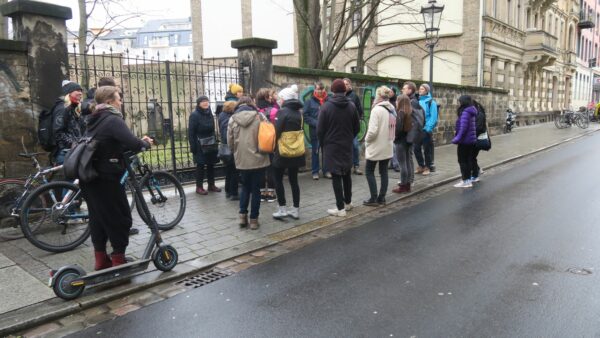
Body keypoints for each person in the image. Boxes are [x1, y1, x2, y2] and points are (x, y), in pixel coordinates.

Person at [81, 86, 154, 270]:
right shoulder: (113, 119)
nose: (121, 101)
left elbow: (106, 144)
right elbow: (132, 143)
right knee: (120, 218)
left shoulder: (93, 118)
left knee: (98, 218)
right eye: (118, 98)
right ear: (109, 102)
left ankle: (101, 260)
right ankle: (118, 260)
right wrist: (145, 143)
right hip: (107, 177)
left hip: (91, 176)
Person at [318, 79, 360, 217]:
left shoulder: (326, 107)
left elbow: (320, 129)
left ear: (333, 90)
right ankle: (348, 203)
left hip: (332, 145)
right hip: (346, 144)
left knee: (336, 175)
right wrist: (349, 137)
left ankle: (340, 208)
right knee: (347, 173)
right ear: (344, 90)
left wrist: (323, 142)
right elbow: (357, 127)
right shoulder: (352, 106)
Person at [227, 96, 270, 230]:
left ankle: (242, 216)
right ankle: (253, 221)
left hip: (242, 159)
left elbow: (230, 141)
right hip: (259, 158)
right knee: (256, 189)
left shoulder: (233, 119)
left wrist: (236, 152)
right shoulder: (260, 116)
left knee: (245, 187)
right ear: (252, 104)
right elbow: (268, 135)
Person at [271, 85, 305, 220]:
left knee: (278, 179)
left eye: (280, 98)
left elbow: (276, 132)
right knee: (294, 180)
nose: (279, 100)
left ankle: (282, 209)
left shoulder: (282, 112)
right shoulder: (299, 113)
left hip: (283, 151)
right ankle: (295, 210)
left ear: (284, 99)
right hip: (296, 151)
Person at [363, 86, 396, 206]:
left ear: (378, 96)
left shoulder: (376, 110)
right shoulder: (391, 109)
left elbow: (372, 131)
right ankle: (382, 198)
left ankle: (373, 198)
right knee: (384, 172)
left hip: (376, 145)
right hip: (387, 144)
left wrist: (366, 141)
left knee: (369, 171)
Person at [189, 95, 221, 195]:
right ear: (199, 104)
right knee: (200, 166)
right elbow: (191, 132)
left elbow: (212, 128)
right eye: (203, 101)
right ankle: (199, 187)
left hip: (210, 142)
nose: (205, 103)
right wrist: (193, 146)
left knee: (211, 164)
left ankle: (211, 185)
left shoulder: (209, 113)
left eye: (207, 101)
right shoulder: (194, 115)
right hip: (199, 144)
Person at [53, 81, 85, 165]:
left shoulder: (74, 108)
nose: (80, 93)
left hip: (74, 151)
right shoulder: (62, 108)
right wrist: (72, 143)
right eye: (77, 90)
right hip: (65, 152)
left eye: (81, 91)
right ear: (69, 93)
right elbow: (58, 132)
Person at [392, 94, 419, 194]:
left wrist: (394, 137)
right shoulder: (411, 111)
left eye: (397, 100)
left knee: (402, 164)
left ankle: (403, 186)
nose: (396, 102)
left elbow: (398, 129)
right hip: (409, 140)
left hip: (401, 141)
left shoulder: (401, 112)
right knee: (407, 162)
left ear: (400, 102)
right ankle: (407, 184)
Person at [256, 88, 278, 203]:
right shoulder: (274, 110)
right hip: (270, 143)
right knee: (270, 168)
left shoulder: (255, 111)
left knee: (260, 168)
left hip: (257, 143)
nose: (271, 98)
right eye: (269, 96)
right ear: (266, 98)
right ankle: (270, 193)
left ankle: (260, 193)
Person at [304, 82, 330, 180]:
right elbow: (306, 116)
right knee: (315, 151)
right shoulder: (309, 101)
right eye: (318, 89)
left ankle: (326, 171)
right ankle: (315, 172)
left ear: (324, 90)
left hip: (327, 131)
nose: (320, 91)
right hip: (315, 131)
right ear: (314, 90)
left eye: (322, 89)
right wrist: (317, 123)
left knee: (326, 151)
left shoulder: (329, 101)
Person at [452, 95, 478, 188]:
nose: (459, 103)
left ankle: (466, 181)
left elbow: (463, 128)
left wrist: (456, 139)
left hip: (464, 141)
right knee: (467, 160)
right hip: (470, 140)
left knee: (462, 160)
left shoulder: (465, 112)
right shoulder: (470, 111)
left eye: (460, 101)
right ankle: (468, 179)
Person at [414, 83, 439, 175]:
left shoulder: (431, 102)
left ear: (427, 91)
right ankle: (421, 165)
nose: (420, 90)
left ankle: (428, 167)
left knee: (427, 150)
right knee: (416, 149)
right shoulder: (417, 101)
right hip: (417, 129)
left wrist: (428, 128)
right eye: (419, 89)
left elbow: (433, 117)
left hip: (425, 129)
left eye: (422, 89)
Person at [218, 101, 239, 200]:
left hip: (224, 147)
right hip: (230, 147)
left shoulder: (222, 115)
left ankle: (227, 191)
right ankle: (233, 193)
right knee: (234, 171)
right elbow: (228, 133)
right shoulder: (230, 118)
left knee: (228, 171)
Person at [343, 78, 364, 175]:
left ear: (350, 85)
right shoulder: (338, 95)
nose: (345, 86)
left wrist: (357, 121)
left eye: (347, 84)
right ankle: (345, 166)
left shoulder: (354, 96)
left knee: (355, 146)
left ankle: (356, 166)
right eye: (343, 84)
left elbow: (360, 111)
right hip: (342, 128)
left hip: (351, 127)